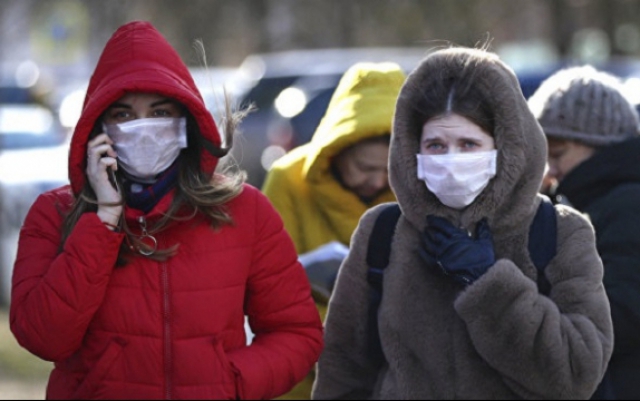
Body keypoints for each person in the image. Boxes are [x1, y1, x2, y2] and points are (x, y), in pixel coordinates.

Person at [9, 20, 323, 400]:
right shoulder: (54, 213)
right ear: (97, 128)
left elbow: (296, 333)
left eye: (160, 112)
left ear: (185, 123)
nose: (143, 128)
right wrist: (104, 220)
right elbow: (43, 338)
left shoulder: (244, 211)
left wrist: (231, 382)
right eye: (123, 115)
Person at [312, 46, 614, 399]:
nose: (452, 160)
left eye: (469, 144)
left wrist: (488, 283)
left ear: (506, 149)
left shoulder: (560, 231)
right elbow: (343, 370)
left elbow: (575, 375)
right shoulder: (382, 232)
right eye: (436, 145)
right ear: (413, 151)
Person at [261, 62, 405, 399]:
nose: (378, 181)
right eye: (364, 167)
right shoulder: (289, 179)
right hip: (302, 376)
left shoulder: (411, 190)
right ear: (336, 150)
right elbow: (267, 288)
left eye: (389, 169)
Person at [528, 65, 640, 400]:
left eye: (558, 154)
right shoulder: (582, 200)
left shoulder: (627, 205)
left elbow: (620, 314)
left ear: (601, 147)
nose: (550, 171)